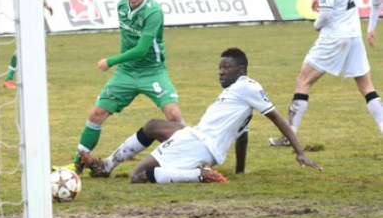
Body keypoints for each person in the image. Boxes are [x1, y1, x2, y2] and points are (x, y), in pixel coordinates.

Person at [79, 47, 322, 184]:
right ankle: (108, 164)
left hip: (198, 144)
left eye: (226, 68)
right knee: (153, 126)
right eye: (219, 68)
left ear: (241, 70)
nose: (221, 72)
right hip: (197, 136)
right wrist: (239, 171)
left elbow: (277, 118)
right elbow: (243, 135)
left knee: (138, 176)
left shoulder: (248, 86)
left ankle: (199, 174)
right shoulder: (237, 96)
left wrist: (299, 152)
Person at [64, 0, 182, 174]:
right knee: (97, 113)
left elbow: (142, 49)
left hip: (152, 71)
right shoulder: (121, 6)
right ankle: (77, 166)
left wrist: (110, 61)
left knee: (173, 114)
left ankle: (189, 156)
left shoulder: (153, 12)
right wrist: (120, 64)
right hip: (126, 73)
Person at [269, 0, 383, 147]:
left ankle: (289, 137)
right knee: (367, 87)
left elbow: (326, 13)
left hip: (334, 36)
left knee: (303, 81)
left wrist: (316, 25)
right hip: (353, 34)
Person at [2, 0, 53, 89]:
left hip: (38, 15)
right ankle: (9, 79)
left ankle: (38, 80)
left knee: (41, 48)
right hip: (28, 16)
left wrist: (46, 5)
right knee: (22, 48)